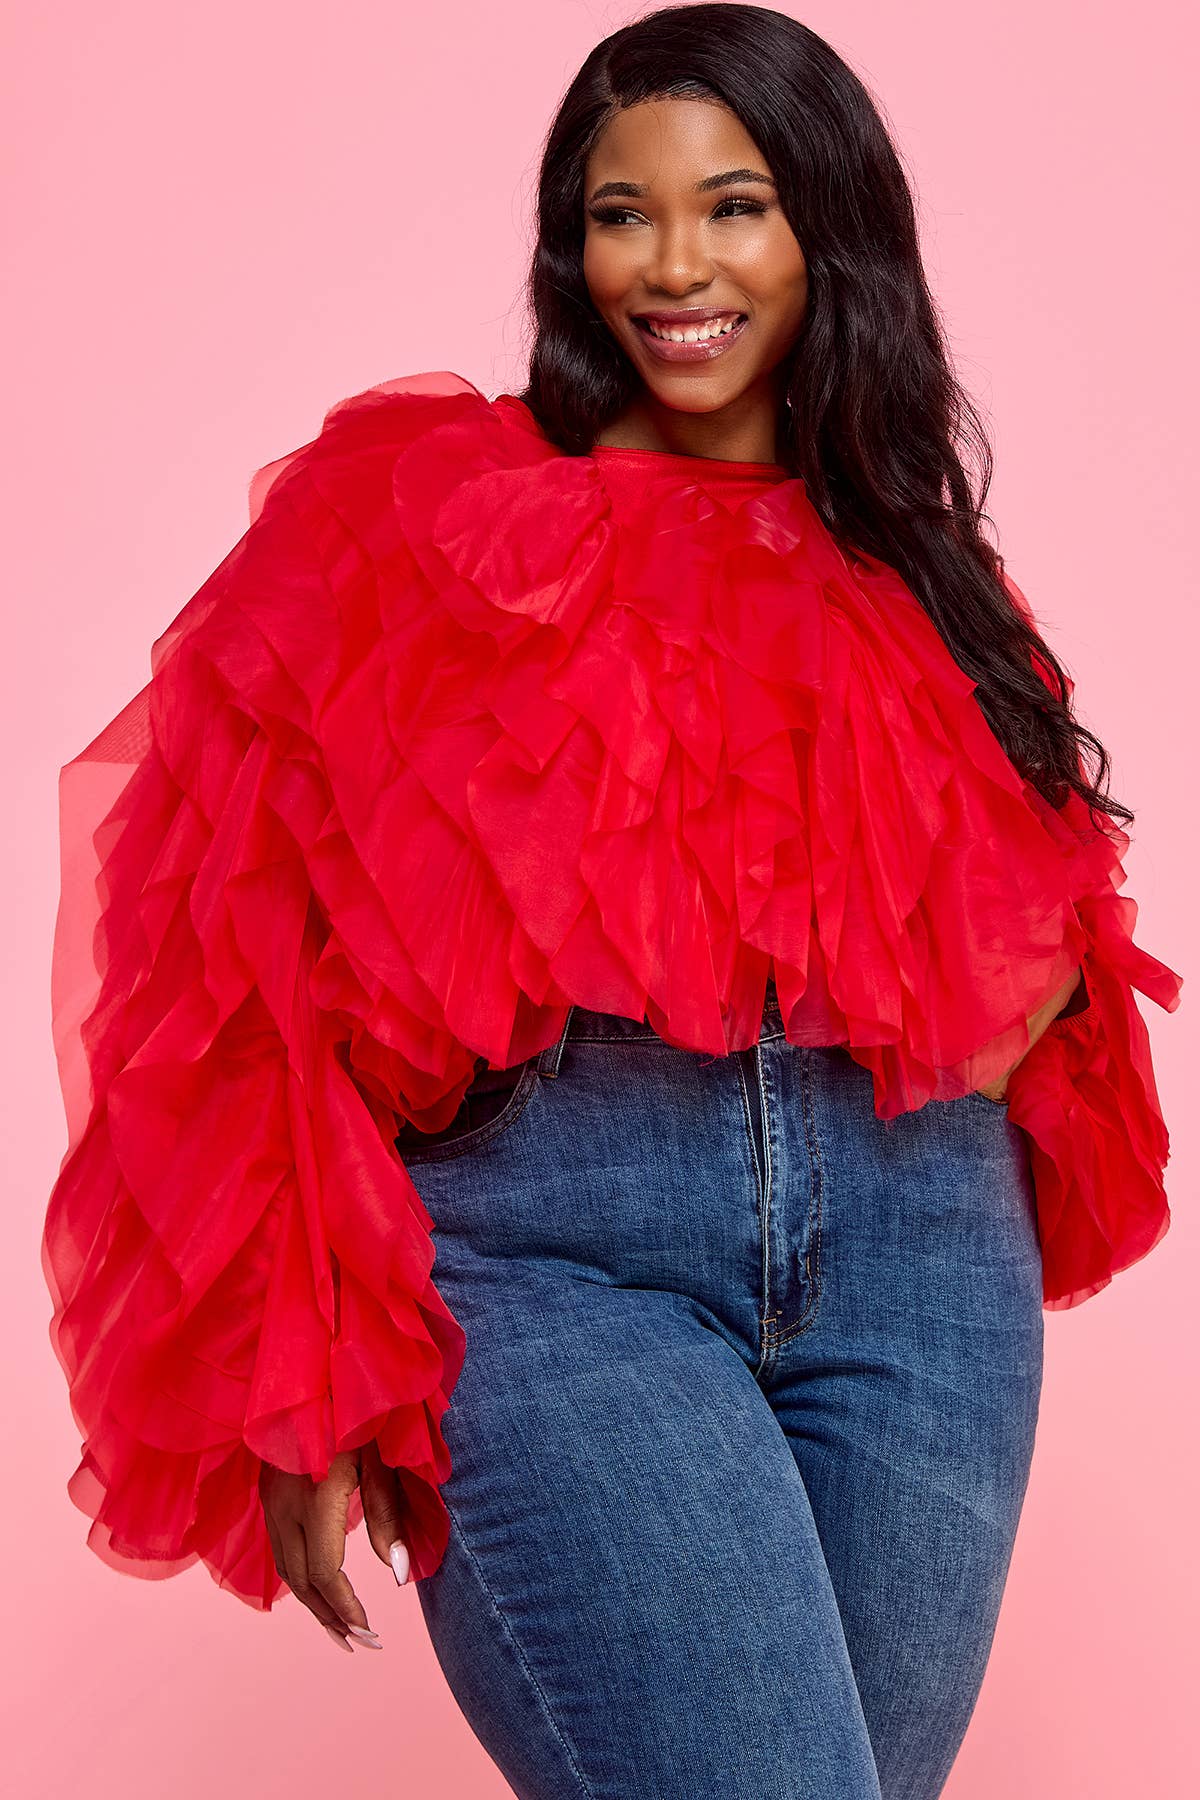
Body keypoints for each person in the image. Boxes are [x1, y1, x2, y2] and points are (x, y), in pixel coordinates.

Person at [42, 7, 1182, 1797]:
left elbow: (1043, 932)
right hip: (559, 1254)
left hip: (921, 1259)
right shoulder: (427, 520)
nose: (673, 265)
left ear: (830, 229)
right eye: (617, 212)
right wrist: (294, 1347)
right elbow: (230, 926)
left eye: (734, 206)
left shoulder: (915, 564)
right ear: (568, 248)